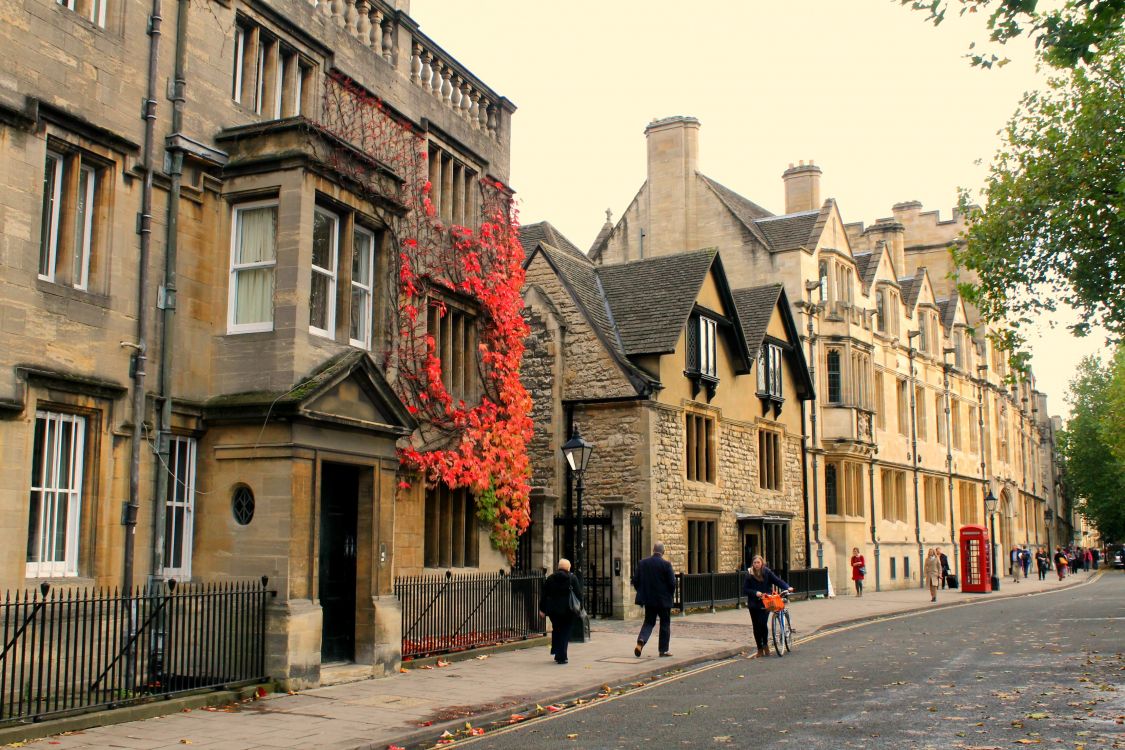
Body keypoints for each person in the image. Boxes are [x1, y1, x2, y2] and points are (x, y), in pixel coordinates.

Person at [631, 541, 676, 658]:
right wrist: (669, 595)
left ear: (653, 550)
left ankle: (641, 640)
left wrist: (644, 592)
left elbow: (635, 581)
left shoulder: (643, 563)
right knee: (665, 624)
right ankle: (663, 650)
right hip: (663, 601)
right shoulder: (666, 565)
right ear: (663, 552)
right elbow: (672, 583)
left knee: (649, 622)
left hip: (649, 600)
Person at [742, 555, 793, 657]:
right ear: (752, 563)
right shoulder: (749, 574)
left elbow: (778, 581)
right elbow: (745, 589)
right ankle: (759, 649)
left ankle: (765, 645)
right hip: (754, 603)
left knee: (762, 624)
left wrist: (787, 587)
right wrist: (755, 592)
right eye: (755, 563)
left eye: (758, 562)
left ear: (762, 563)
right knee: (756, 626)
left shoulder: (767, 572)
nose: (756, 565)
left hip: (766, 602)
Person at [539, 558, 582, 664]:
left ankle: (557, 652)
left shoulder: (550, 578)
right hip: (569, 610)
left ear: (558, 567)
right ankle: (562, 656)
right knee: (565, 632)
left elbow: (544, 595)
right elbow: (579, 595)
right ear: (568, 567)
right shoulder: (572, 578)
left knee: (557, 630)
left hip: (554, 611)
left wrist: (542, 609)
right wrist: (580, 608)